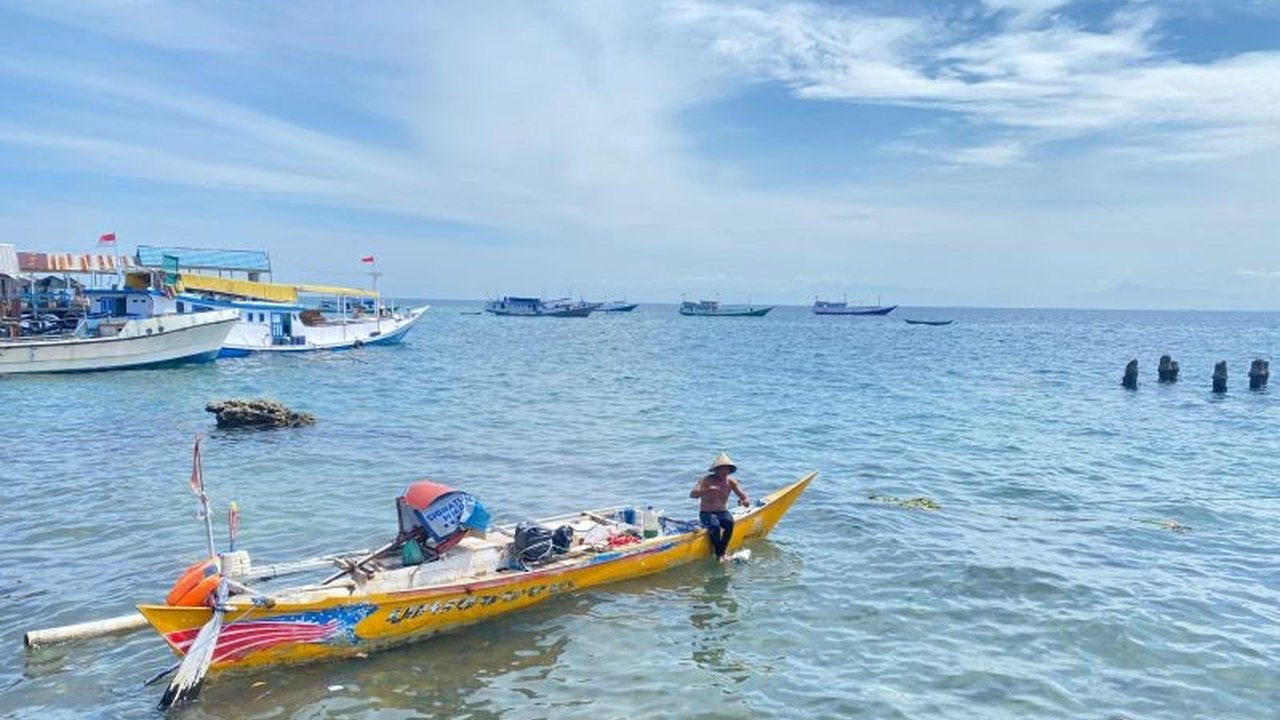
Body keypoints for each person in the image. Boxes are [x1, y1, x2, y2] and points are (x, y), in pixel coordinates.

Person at [690, 451, 751, 563]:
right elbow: (692, 494)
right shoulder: (706, 480)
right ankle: (720, 555)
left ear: (729, 470)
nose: (724, 472)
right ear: (716, 470)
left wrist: (745, 500)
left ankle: (721, 552)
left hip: (722, 512)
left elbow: (743, 496)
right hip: (706, 513)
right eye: (721, 469)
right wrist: (707, 490)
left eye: (726, 469)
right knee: (715, 525)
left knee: (729, 523)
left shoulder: (731, 482)